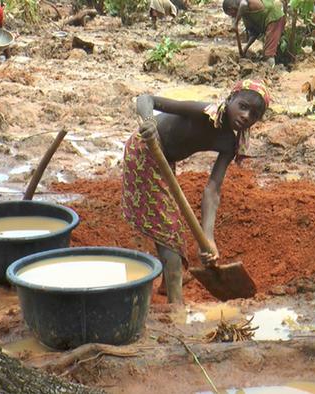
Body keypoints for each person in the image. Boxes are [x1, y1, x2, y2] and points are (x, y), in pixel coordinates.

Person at [122, 79, 270, 303]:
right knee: (170, 232)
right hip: (145, 150)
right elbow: (145, 99)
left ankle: (168, 284)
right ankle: (177, 309)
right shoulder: (203, 112)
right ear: (229, 100)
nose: (246, 116)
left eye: (254, 115)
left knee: (171, 225)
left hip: (165, 160)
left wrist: (208, 238)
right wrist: (149, 122)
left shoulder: (231, 142)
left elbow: (212, 190)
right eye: (243, 106)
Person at [222, 0, 285, 66]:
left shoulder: (243, 4)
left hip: (274, 17)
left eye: (231, 14)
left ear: (231, 8)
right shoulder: (244, 14)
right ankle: (277, 62)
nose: (232, 17)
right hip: (269, 21)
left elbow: (243, 4)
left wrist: (236, 23)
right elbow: (254, 33)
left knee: (268, 53)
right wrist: (245, 48)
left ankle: (272, 73)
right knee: (268, 51)